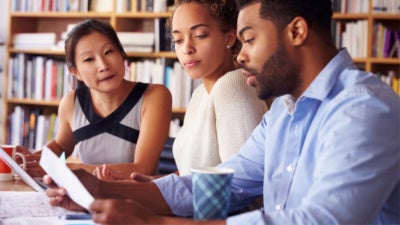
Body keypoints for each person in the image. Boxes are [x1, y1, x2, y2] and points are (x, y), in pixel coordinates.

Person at [45, 0, 400, 224]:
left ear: (296, 31)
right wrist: (100, 190)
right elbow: (222, 183)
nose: (241, 56)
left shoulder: (364, 110)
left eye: (249, 39)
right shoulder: (284, 113)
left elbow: (321, 220)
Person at [98, 0, 267, 180]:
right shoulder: (200, 94)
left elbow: (242, 184)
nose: (187, 48)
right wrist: (150, 184)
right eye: (178, 40)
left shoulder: (233, 86)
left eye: (200, 35)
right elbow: (191, 174)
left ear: (229, 38)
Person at [25, 19, 172, 180]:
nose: (103, 65)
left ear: (121, 54)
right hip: (88, 199)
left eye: (109, 52)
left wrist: (71, 170)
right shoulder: (72, 102)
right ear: (75, 71)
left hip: (137, 200)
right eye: (89, 59)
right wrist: (32, 161)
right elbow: (61, 145)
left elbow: (143, 169)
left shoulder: (154, 96)